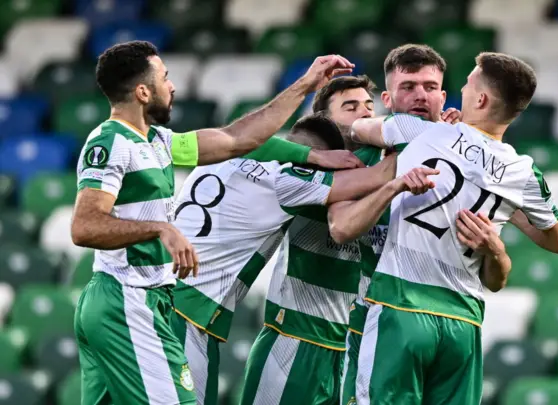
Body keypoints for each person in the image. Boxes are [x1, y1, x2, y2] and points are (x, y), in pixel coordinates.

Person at [70, 38, 361, 405]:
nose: (172, 86)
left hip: (137, 300)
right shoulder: (112, 142)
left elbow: (237, 138)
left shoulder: (158, 141)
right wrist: (160, 228)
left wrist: (306, 88)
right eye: (164, 77)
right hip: (128, 300)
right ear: (143, 92)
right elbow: (84, 227)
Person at [348, 52, 558, 405]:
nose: (462, 90)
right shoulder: (523, 172)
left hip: (402, 304)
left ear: (481, 99)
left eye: (468, 84)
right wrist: (496, 240)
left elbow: (358, 128)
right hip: (463, 322)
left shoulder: (418, 132)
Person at [240, 45, 461, 405]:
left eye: (367, 107)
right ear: (324, 120)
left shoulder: (408, 159)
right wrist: (433, 142)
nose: (361, 116)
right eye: (350, 108)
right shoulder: (329, 165)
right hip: (298, 332)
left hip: (355, 338)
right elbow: (342, 222)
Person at [170, 113, 433, 405]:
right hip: (190, 314)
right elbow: (378, 176)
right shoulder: (285, 179)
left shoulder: (220, 156)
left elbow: (240, 136)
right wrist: (430, 137)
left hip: (156, 298)